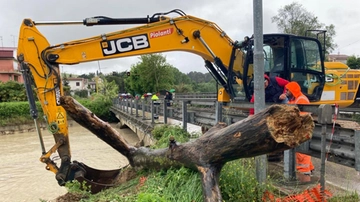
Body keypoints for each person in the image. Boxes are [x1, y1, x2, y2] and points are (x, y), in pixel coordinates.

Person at [285, 81, 315, 182]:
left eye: (288, 90)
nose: (286, 92)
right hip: (299, 129)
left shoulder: (301, 99)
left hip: (303, 129)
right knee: (301, 151)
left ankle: (305, 171)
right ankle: (308, 168)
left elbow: (302, 116)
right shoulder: (294, 99)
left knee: (302, 152)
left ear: (293, 90)